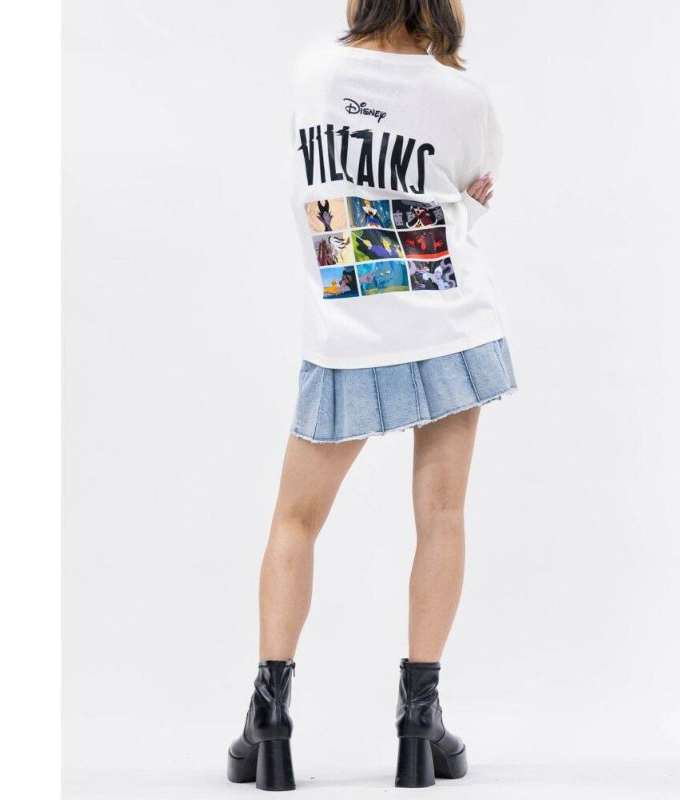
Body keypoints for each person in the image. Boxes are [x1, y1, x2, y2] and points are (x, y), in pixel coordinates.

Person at [227, 0, 515, 790]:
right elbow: (469, 194)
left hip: (347, 325)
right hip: (447, 320)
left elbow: (315, 198)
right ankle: (420, 720)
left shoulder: (313, 72)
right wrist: (457, 201)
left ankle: (269, 716)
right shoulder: (463, 95)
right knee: (442, 517)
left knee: (295, 519)